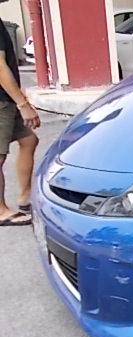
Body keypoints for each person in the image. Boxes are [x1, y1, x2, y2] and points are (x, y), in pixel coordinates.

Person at [0, 10, 40, 227]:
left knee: (29, 140)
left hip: (6, 98)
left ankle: (25, 198)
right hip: (1, 101)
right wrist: (23, 104)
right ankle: (1, 211)